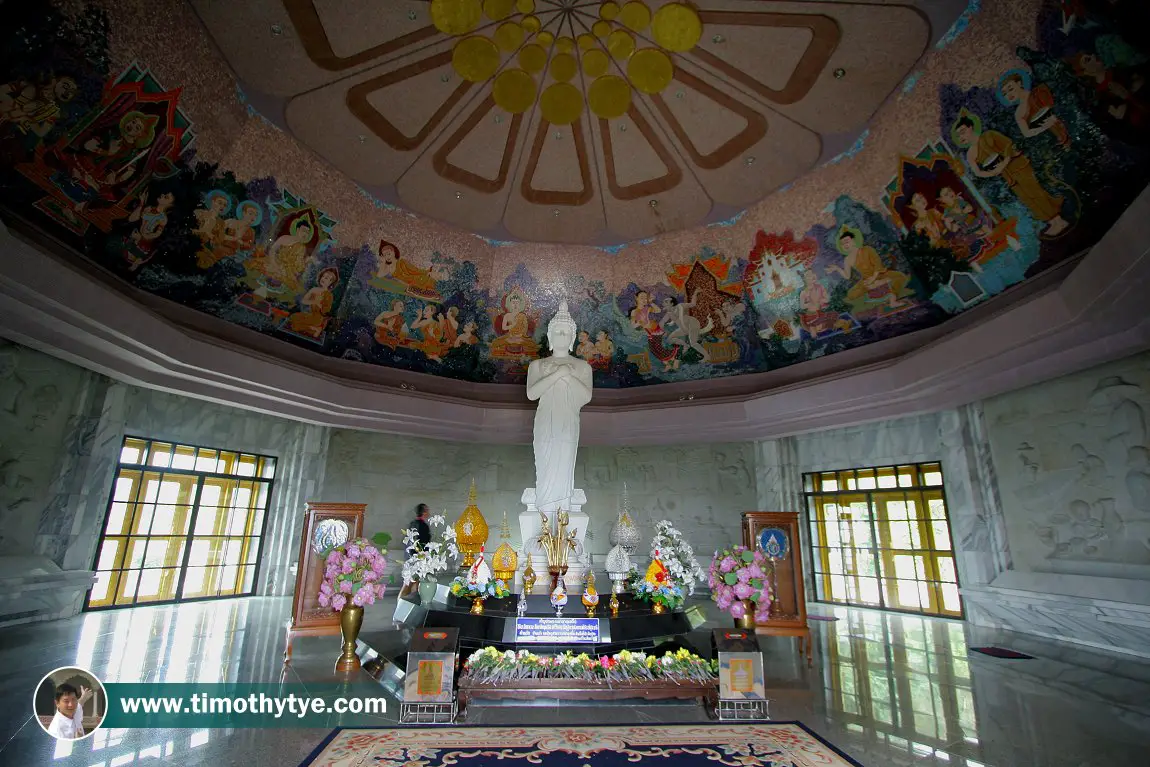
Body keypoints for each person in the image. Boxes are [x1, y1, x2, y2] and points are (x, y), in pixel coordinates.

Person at [526, 301, 594, 512]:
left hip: (568, 424)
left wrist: (566, 376)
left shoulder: (583, 367)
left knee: (564, 468)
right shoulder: (537, 365)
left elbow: (585, 397)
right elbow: (532, 394)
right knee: (545, 468)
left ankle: (563, 515)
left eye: (566, 333)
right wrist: (558, 373)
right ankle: (544, 516)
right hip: (546, 422)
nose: (562, 336)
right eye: (558, 332)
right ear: (550, 336)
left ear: (573, 338)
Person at [398, 504, 432, 598]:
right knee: (408, 584)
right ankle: (400, 604)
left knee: (415, 584)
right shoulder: (422, 526)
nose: (429, 512)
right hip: (417, 558)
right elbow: (421, 544)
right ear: (424, 512)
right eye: (427, 510)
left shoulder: (413, 524)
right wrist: (422, 558)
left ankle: (410, 605)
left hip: (411, 557)